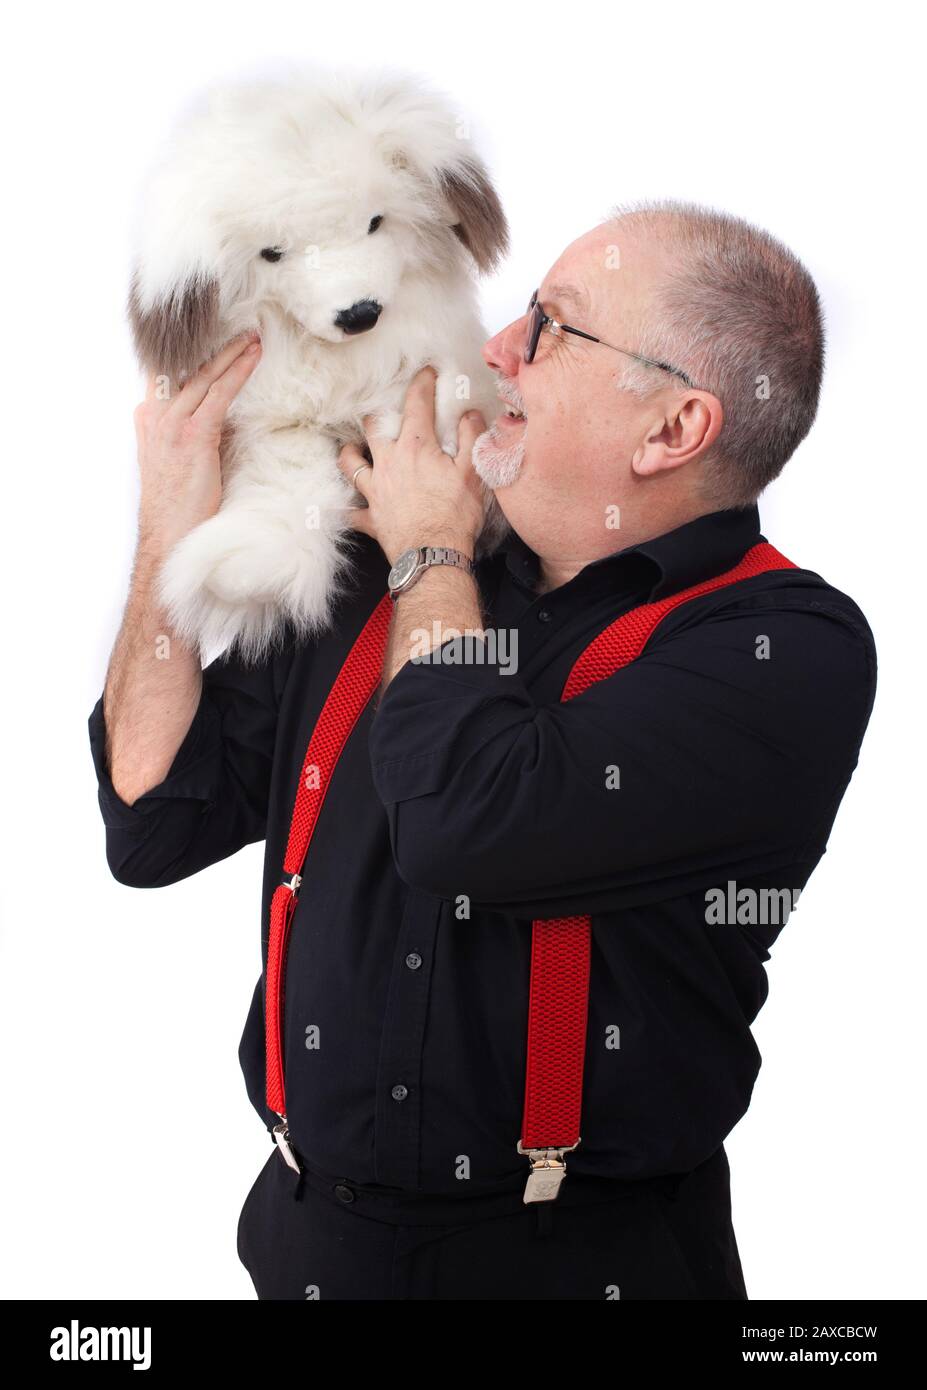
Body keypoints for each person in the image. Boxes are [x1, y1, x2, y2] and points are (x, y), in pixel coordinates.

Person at [88, 200, 876, 1300]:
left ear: (673, 431)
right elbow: (150, 809)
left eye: (552, 327)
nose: (496, 347)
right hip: (310, 1254)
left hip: (579, 1271)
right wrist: (174, 520)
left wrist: (427, 549)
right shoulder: (382, 574)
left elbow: (466, 820)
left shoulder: (780, 649)